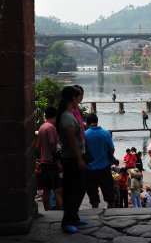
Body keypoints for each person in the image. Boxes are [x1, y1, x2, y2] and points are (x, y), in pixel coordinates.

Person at [56, 86, 87, 234]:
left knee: (71, 189)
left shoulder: (67, 115)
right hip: (72, 159)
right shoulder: (67, 117)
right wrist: (80, 158)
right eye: (77, 98)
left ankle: (73, 217)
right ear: (73, 99)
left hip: (71, 158)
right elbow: (71, 141)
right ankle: (67, 221)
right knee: (79, 189)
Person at [85, 113, 115, 208]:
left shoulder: (85, 134)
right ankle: (112, 214)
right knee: (110, 196)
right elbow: (112, 149)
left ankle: (95, 213)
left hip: (89, 168)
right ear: (97, 122)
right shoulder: (105, 133)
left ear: (87, 123)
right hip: (104, 167)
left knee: (93, 196)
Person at [38, 106, 63, 211]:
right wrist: (58, 162)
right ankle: (62, 211)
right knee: (58, 189)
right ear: (55, 116)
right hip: (51, 163)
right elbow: (53, 146)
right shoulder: (51, 128)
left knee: (47, 190)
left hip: (43, 162)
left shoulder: (42, 127)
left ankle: (47, 211)